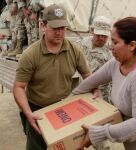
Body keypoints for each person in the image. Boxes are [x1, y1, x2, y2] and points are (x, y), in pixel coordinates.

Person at [13, 4, 91, 150]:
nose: (60, 32)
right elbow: (18, 87)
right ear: (42, 25)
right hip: (38, 111)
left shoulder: (74, 50)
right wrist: (28, 113)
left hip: (65, 109)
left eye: (63, 28)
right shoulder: (30, 55)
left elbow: (88, 76)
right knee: (38, 146)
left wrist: (96, 89)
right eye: (55, 28)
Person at [73, 16, 136, 150]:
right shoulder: (116, 64)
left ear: (132, 45)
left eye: (115, 42)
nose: (110, 47)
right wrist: (66, 103)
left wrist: (101, 133)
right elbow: (87, 84)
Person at [77, 16, 112, 102]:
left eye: (104, 36)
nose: (101, 38)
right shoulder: (82, 43)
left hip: (99, 96)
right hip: (80, 90)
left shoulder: (111, 52)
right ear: (92, 30)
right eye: (98, 35)